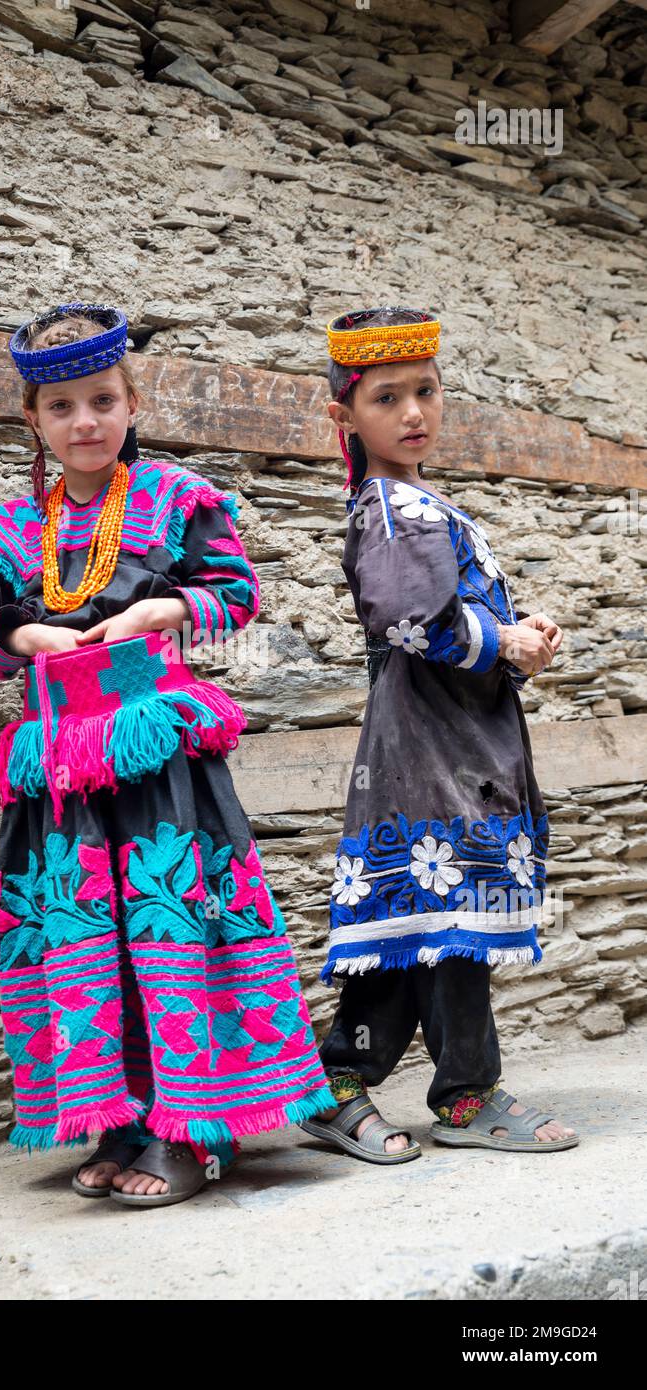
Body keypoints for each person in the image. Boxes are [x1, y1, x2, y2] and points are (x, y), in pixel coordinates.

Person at [0, 302, 334, 1208]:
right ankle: (120, 1122)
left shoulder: (176, 499)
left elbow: (233, 593)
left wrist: (156, 611)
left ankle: (189, 1133)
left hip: (157, 754)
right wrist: (26, 632)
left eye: (101, 400)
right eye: (60, 408)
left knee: (170, 930)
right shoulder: (7, 529)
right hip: (58, 773)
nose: (83, 422)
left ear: (131, 403)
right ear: (33, 421)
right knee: (88, 945)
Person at [300, 306, 579, 1162]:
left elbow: (444, 616)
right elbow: (408, 622)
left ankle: (333, 1087)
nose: (413, 412)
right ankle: (467, 1096)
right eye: (386, 399)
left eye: (424, 390)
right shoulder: (394, 508)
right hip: (430, 749)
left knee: (420, 922)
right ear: (347, 419)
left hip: (447, 740)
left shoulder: (417, 504)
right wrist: (503, 641)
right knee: (451, 917)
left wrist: (511, 636)